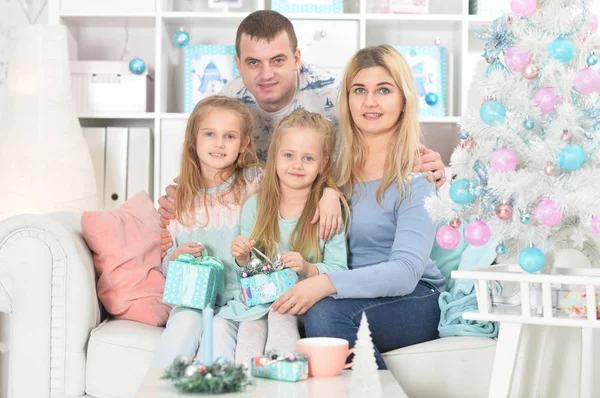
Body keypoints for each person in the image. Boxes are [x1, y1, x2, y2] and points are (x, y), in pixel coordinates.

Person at [158, 10, 446, 239]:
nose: (266, 74)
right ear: (238, 63)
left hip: (318, 202)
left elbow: (378, 136)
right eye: (254, 63)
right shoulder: (224, 106)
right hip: (252, 210)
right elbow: (208, 163)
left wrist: (420, 159)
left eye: (278, 60)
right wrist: (186, 197)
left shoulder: (336, 94)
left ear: (297, 58)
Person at [270, 45, 446, 369]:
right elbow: (273, 191)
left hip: (414, 297)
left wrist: (325, 284)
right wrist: (328, 190)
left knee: (323, 315)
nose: (370, 102)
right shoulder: (330, 172)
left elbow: (406, 272)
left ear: (403, 99)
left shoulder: (416, 178)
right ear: (347, 100)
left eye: (384, 90)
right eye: (359, 90)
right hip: (349, 293)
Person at [217, 110, 350, 364]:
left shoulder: (328, 211)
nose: (297, 165)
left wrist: (308, 268)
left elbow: (339, 270)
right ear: (275, 157)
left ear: (323, 164)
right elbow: (249, 272)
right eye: (288, 155)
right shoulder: (255, 206)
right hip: (260, 301)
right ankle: (248, 383)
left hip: (301, 303)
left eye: (308, 158)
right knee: (250, 326)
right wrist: (243, 258)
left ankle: (281, 379)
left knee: (280, 317)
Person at [151, 95, 262, 368]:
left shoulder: (254, 184)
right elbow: (167, 268)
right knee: (184, 324)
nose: (219, 143)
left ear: (244, 144)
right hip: (191, 299)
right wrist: (175, 256)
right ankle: (158, 387)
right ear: (194, 139)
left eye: (229, 136)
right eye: (210, 133)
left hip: (239, 302)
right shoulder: (178, 199)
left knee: (220, 336)